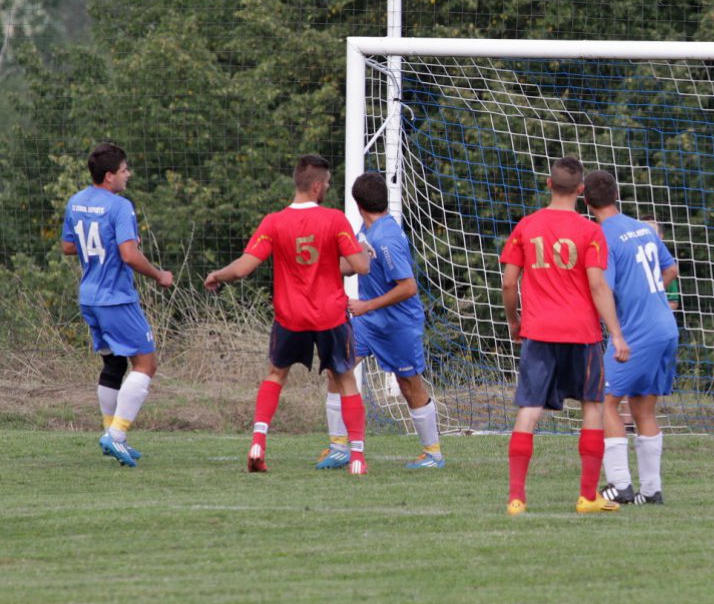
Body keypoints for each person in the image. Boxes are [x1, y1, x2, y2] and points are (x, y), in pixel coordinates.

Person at [204, 155, 370, 474]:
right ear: (318, 186)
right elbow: (360, 266)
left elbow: (244, 267)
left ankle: (258, 442)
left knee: (276, 374)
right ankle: (358, 457)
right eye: (328, 185)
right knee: (346, 379)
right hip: (330, 316)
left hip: (290, 317)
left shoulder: (274, 222)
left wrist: (217, 274)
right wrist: (363, 251)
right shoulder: (335, 220)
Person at [500, 156, 630, 516]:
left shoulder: (526, 226)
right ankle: (587, 496)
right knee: (591, 406)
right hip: (582, 332)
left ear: (547, 183)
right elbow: (598, 285)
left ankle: (517, 499)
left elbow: (509, 282)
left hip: (538, 332)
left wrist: (514, 322)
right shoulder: (590, 232)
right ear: (581, 190)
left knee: (529, 409)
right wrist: (617, 335)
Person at [317, 172, 444, 471]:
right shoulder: (368, 230)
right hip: (369, 323)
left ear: (358, 204)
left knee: (409, 385)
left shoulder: (387, 238)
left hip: (397, 325)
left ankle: (433, 453)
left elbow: (408, 287)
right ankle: (338, 447)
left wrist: (365, 305)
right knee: (337, 369)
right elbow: (355, 265)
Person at [61, 142, 174, 467]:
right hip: (116, 299)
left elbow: (69, 246)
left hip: (90, 298)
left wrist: (100, 245)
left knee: (113, 365)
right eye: (124, 170)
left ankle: (111, 431)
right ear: (109, 176)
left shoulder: (77, 201)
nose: (128, 175)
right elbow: (129, 255)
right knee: (146, 364)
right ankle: (117, 436)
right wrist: (158, 275)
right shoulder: (120, 206)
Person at [583, 171, 679, 505]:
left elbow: (603, 288)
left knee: (606, 400)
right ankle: (651, 491)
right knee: (643, 407)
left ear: (586, 200)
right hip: (666, 327)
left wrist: (618, 333)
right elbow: (670, 269)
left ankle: (620, 484)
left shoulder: (602, 235)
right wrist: (650, 296)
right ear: (616, 195)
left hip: (636, 333)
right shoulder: (643, 228)